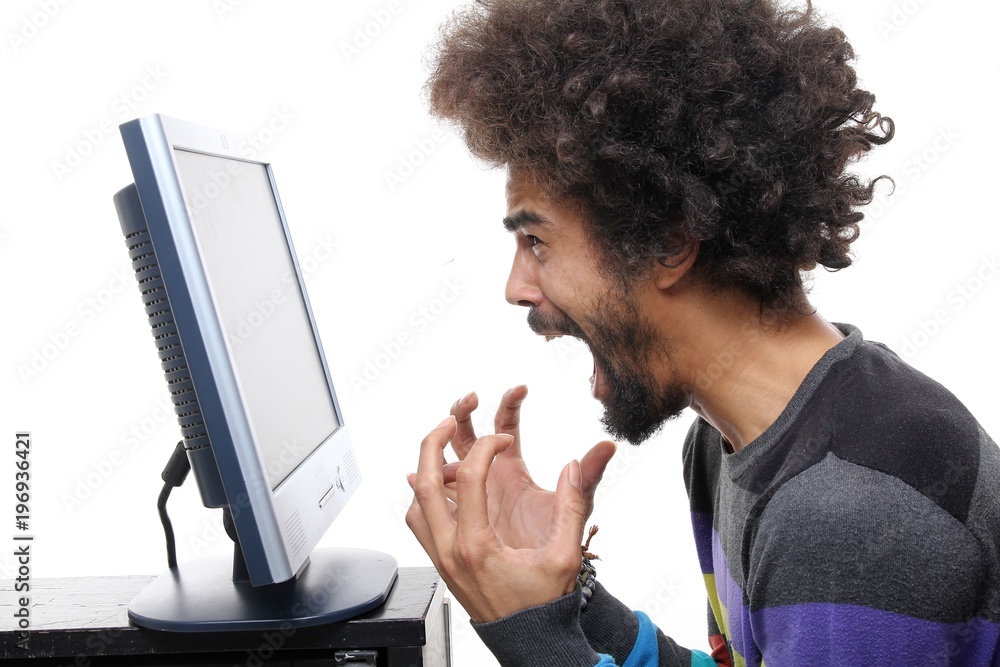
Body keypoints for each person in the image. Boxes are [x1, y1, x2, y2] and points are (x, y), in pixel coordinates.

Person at [404, 0, 1000, 664]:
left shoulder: (844, 523)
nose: (517, 287)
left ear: (667, 240)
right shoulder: (730, 443)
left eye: (538, 241)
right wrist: (572, 600)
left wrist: (532, 634)